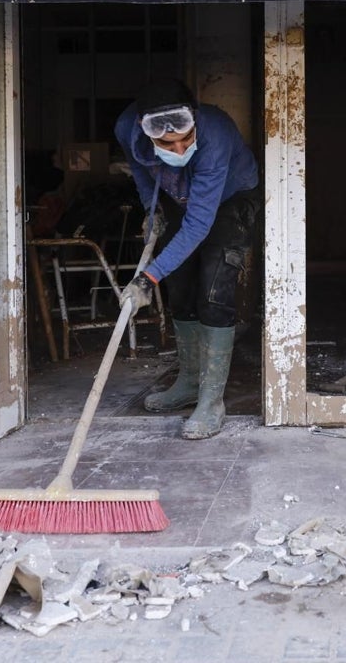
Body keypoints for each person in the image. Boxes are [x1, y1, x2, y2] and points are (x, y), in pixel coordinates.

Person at [115, 78, 260, 439]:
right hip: (175, 196)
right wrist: (152, 209)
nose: (178, 148)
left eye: (185, 138)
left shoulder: (216, 135)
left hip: (231, 199)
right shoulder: (125, 129)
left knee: (213, 291)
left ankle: (211, 402)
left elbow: (199, 224)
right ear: (144, 130)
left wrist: (148, 277)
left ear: (195, 119)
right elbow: (141, 170)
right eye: (166, 143)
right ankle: (188, 384)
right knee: (181, 289)